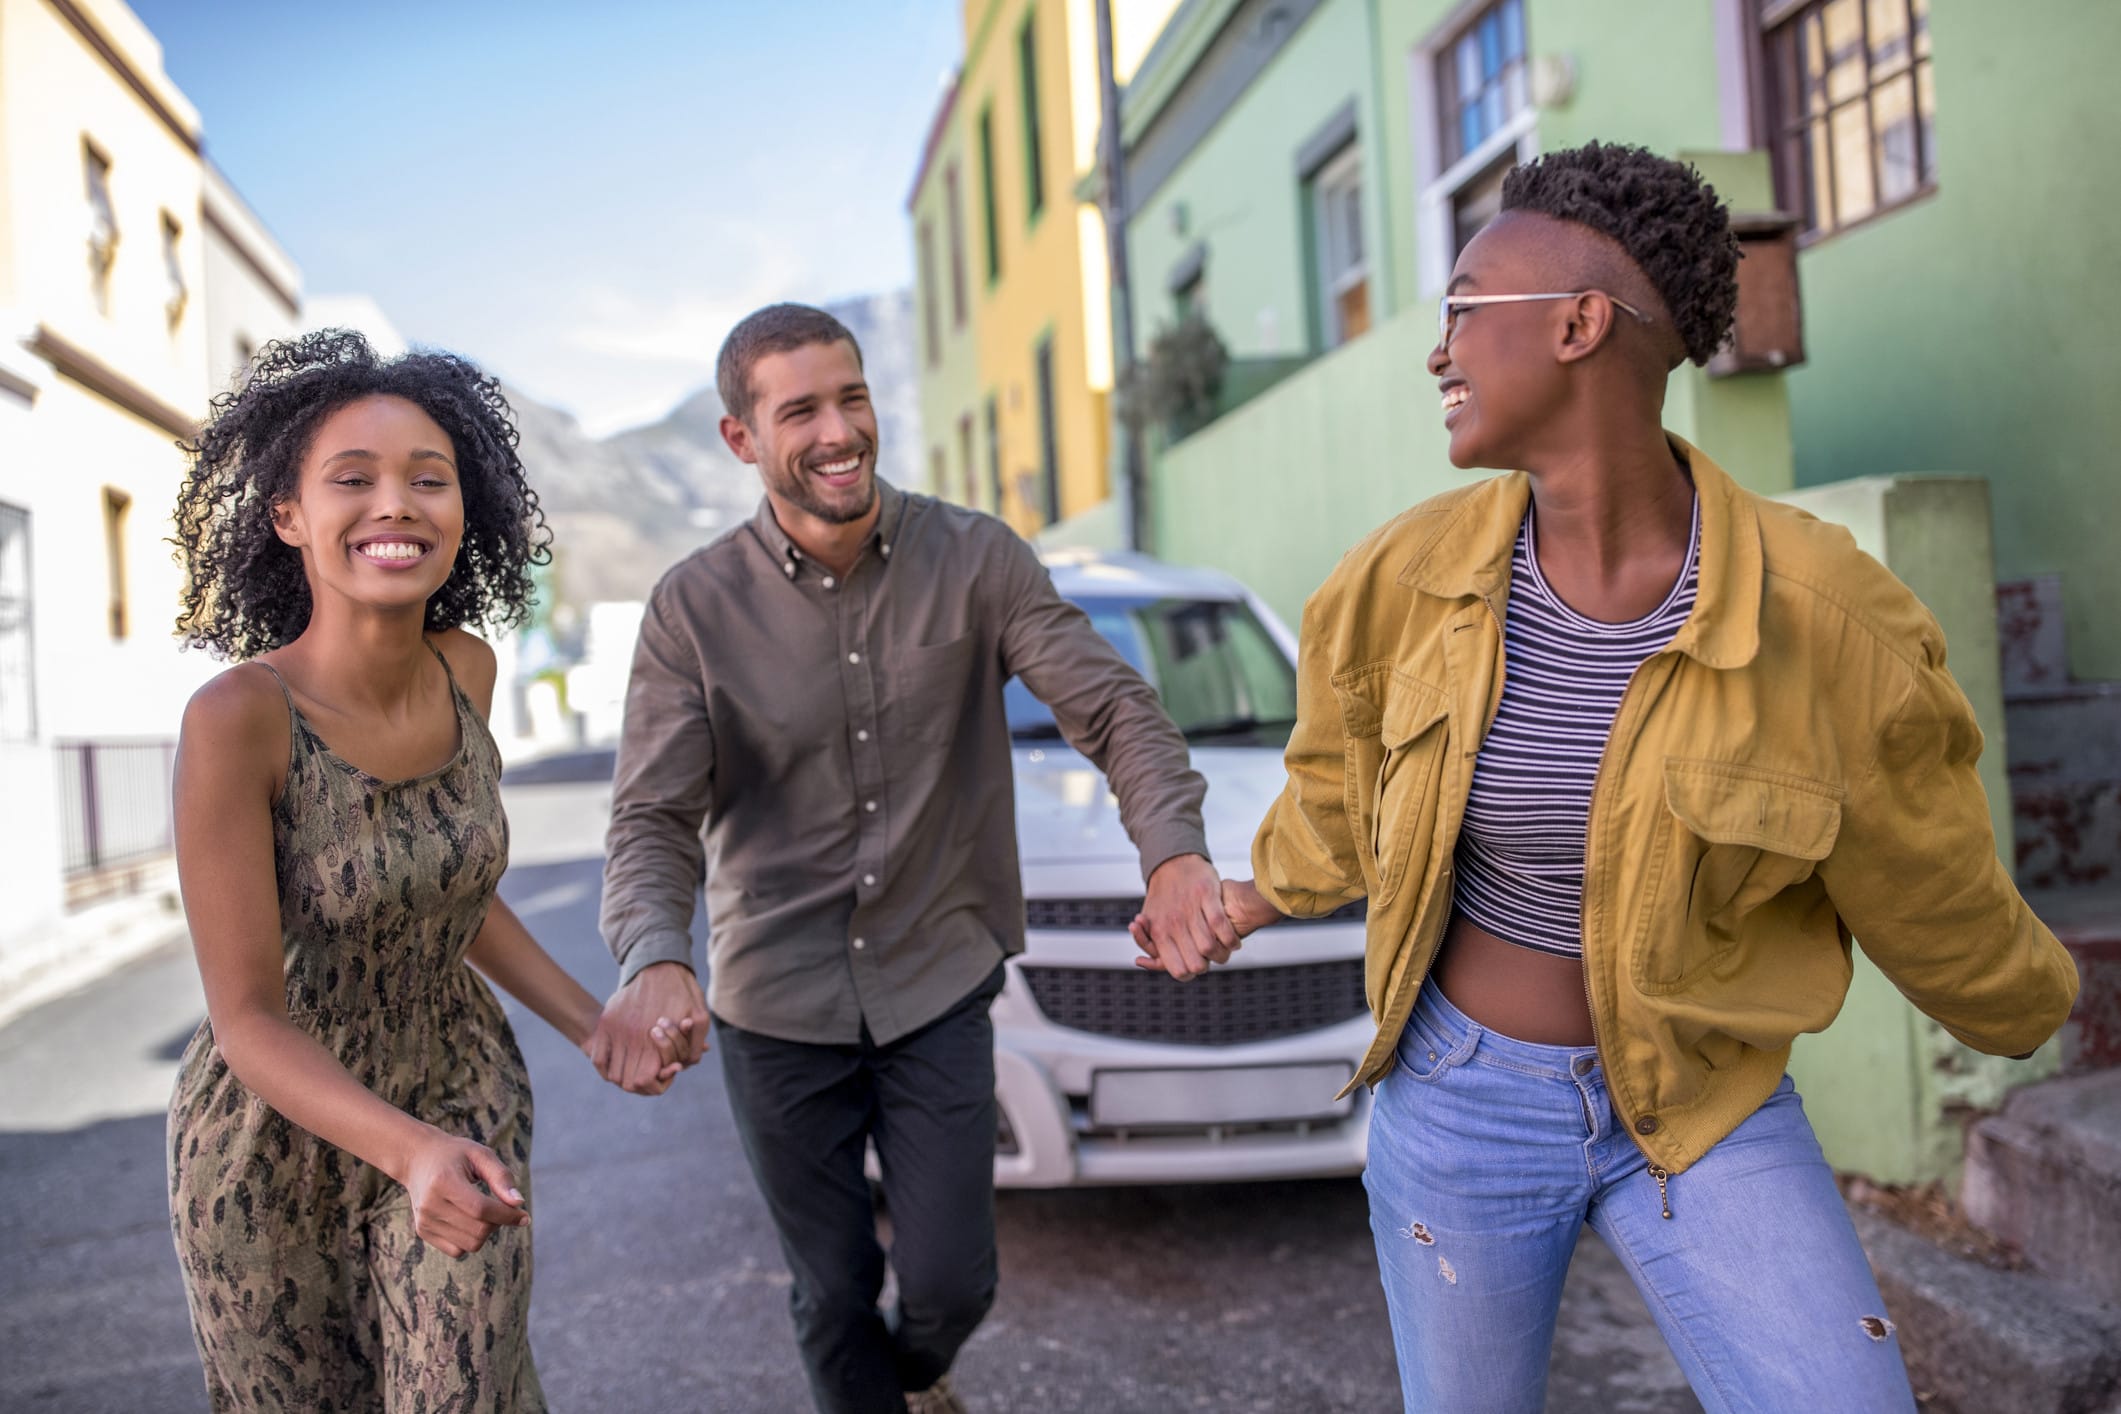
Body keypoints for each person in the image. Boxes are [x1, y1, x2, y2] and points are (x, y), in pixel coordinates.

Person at [1155, 144, 2080, 1412]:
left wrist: (2041, 1007)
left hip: (1705, 1105)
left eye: (1463, 309)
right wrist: (1238, 900)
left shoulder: (1829, 621)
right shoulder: (1391, 586)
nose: (1438, 352)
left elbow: (1933, 885)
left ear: (1580, 324)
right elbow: (1338, 803)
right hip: (1459, 1102)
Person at [592, 303, 1236, 1414]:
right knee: (832, 1290)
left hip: (936, 976)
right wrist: (654, 954)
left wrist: (1173, 852)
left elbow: (1114, 709)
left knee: (951, 1282)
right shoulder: (692, 608)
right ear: (741, 438)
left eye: (852, 398)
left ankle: (918, 1376)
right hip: (776, 1005)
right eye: (800, 411)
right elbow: (652, 813)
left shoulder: (975, 558)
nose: (839, 431)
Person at [165, 330, 675, 1411]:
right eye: (353, 479)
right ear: (288, 515)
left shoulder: (465, 669)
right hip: (273, 1146)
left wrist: (593, 1024)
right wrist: (403, 1150)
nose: (394, 503)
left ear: (463, 509)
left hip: (458, 1091)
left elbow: (448, 892)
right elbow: (246, 1018)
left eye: (427, 479)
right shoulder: (238, 719)